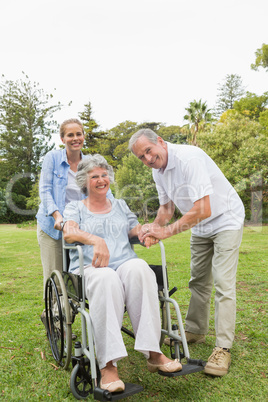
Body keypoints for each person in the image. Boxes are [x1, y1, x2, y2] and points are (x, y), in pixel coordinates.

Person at [129, 128, 245, 377]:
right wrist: (153, 228)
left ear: (160, 142)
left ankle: (223, 348)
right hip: (200, 226)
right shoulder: (157, 171)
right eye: (141, 157)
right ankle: (194, 329)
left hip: (226, 219)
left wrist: (166, 232)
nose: (147, 159)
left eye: (148, 151)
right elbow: (167, 208)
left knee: (224, 284)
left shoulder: (189, 158)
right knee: (198, 280)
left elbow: (203, 208)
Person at [62, 154, 182, 393]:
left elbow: (133, 229)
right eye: (94, 176)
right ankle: (108, 365)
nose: (101, 179)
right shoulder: (75, 207)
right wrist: (95, 239)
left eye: (104, 175)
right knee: (107, 278)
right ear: (85, 181)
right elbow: (69, 233)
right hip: (90, 268)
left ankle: (154, 353)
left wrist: (145, 231)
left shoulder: (120, 205)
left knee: (141, 269)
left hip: (124, 262)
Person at [36, 118, 113, 322]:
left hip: (80, 228)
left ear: (83, 136)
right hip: (53, 228)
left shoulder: (90, 163)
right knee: (56, 275)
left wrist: (116, 212)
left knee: (76, 275)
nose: (75, 138)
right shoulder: (52, 158)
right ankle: (53, 318)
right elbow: (45, 190)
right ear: (63, 138)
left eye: (78, 134)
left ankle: (70, 313)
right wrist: (56, 215)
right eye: (70, 135)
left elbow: (105, 189)